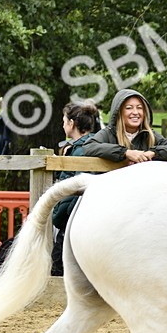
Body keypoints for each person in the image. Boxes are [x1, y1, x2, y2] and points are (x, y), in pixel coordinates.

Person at [51, 101, 102, 276]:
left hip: (73, 221)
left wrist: (59, 215)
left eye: (64, 120)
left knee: (60, 266)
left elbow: (74, 187)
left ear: (72, 124)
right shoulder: (92, 145)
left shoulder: (80, 150)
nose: (63, 124)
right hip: (85, 220)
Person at [81, 89, 167, 164]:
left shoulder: (149, 134)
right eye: (129, 108)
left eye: (139, 108)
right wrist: (125, 152)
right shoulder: (109, 133)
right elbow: (89, 147)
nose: (135, 112)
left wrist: (153, 152)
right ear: (119, 112)